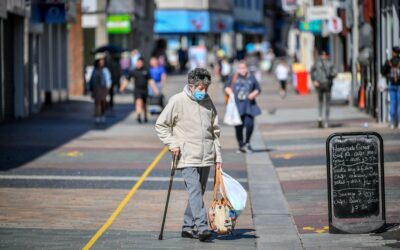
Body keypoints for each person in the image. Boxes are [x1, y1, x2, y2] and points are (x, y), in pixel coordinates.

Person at [155, 68, 222, 242]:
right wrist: (172, 144)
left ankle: (187, 226)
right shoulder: (177, 101)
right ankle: (202, 227)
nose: (204, 92)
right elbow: (161, 125)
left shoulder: (208, 102)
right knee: (194, 191)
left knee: (198, 191)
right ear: (191, 86)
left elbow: (215, 131)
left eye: (206, 88)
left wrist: (218, 157)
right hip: (185, 155)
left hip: (206, 155)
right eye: (201, 88)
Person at [225, 61, 261, 153]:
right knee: (238, 127)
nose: (242, 70)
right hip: (237, 107)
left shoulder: (252, 78)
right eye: (240, 68)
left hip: (249, 106)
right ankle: (241, 145)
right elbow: (226, 87)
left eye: (244, 68)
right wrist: (231, 93)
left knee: (250, 124)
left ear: (247, 68)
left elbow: (258, 89)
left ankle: (247, 142)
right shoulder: (233, 77)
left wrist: (253, 94)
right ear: (237, 69)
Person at [120, 57, 158, 123]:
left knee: (144, 104)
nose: (138, 64)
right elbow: (127, 79)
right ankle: (139, 115)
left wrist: (155, 89)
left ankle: (145, 116)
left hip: (145, 90)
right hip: (137, 90)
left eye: (140, 63)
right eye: (137, 63)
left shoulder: (146, 70)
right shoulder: (133, 71)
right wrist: (122, 87)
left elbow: (150, 80)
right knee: (138, 102)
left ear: (142, 63)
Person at [310, 51, 337, 128]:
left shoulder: (317, 63)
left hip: (320, 84)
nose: (324, 56)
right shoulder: (329, 63)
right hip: (326, 84)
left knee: (321, 102)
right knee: (326, 103)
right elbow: (335, 73)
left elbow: (311, 71)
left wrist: (314, 80)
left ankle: (321, 117)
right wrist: (330, 76)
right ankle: (325, 120)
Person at [88, 53, 112, 124]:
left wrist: (108, 88)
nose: (101, 63)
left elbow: (108, 80)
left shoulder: (105, 70)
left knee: (103, 103)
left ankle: (102, 115)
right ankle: (97, 116)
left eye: (102, 62)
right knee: (97, 103)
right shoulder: (94, 70)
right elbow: (91, 79)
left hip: (103, 88)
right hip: (96, 88)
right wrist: (90, 88)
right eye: (100, 62)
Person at [381, 46, 400, 129]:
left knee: (392, 103)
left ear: (393, 52)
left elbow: (382, 71)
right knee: (399, 105)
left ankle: (392, 122)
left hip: (391, 84)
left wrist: (387, 75)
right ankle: (399, 123)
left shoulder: (389, 62)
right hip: (399, 85)